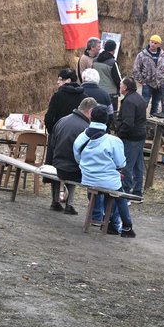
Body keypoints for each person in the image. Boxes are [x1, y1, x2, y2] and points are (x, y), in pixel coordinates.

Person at [74, 105, 134, 237]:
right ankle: (126, 226)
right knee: (119, 194)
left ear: (91, 117)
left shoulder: (81, 137)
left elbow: (78, 158)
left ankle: (98, 217)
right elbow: (121, 163)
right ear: (107, 120)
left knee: (106, 186)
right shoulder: (114, 141)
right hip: (108, 181)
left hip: (88, 178)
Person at [47, 96, 96, 214]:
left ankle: (55, 201)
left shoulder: (62, 120)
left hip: (57, 165)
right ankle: (69, 205)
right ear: (90, 111)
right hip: (73, 170)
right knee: (76, 165)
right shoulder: (86, 128)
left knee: (64, 165)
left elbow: (52, 144)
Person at [115, 78, 146, 199]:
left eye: (121, 85)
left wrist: (119, 134)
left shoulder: (129, 101)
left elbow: (128, 123)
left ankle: (126, 191)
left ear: (125, 87)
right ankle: (137, 191)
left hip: (131, 137)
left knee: (126, 165)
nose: (119, 86)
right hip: (140, 135)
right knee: (138, 165)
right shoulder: (139, 97)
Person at [132, 35, 164, 118]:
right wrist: (142, 81)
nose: (153, 44)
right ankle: (139, 118)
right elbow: (136, 69)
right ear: (149, 42)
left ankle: (153, 119)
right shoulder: (142, 55)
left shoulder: (163, 55)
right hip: (147, 84)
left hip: (160, 84)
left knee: (156, 104)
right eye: (152, 42)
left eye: (155, 43)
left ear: (159, 44)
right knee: (144, 103)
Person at [43, 68, 83, 134]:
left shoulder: (58, 96)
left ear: (68, 80)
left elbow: (49, 118)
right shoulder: (84, 96)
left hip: (60, 133)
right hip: (77, 134)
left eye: (60, 79)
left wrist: (52, 132)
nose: (58, 82)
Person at [93, 39, 121, 109]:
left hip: (97, 91)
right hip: (111, 93)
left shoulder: (95, 61)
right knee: (111, 113)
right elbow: (118, 79)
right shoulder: (113, 62)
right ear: (114, 49)